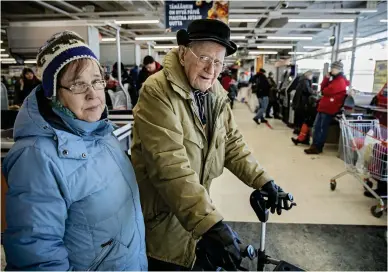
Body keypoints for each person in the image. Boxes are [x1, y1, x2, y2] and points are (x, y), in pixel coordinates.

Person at [132, 19, 285, 271]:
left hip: (194, 213)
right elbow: (169, 166)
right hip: (163, 221)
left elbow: (232, 142)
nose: (211, 70)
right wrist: (212, 224)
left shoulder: (215, 93)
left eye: (218, 62)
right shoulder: (157, 91)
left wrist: (263, 181)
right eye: (204, 58)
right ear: (183, 54)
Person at [2, 31, 147, 270]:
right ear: (54, 94)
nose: (93, 93)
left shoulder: (102, 133)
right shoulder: (37, 158)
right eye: (78, 84)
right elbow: (38, 257)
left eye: (96, 81)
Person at [305, 61, 349, 154]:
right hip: (324, 107)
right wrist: (326, 78)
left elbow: (326, 91)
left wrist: (324, 90)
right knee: (316, 127)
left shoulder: (340, 81)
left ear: (339, 69)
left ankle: (318, 147)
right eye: (332, 68)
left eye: (334, 68)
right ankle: (314, 145)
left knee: (321, 128)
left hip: (329, 108)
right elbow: (323, 88)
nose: (332, 70)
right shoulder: (333, 79)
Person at [291, 70, 314, 136]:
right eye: (311, 76)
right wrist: (314, 92)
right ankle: (299, 130)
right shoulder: (305, 81)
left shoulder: (301, 80)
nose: (312, 78)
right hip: (302, 102)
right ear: (309, 75)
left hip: (298, 102)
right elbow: (307, 90)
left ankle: (296, 129)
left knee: (297, 117)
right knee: (301, 117)